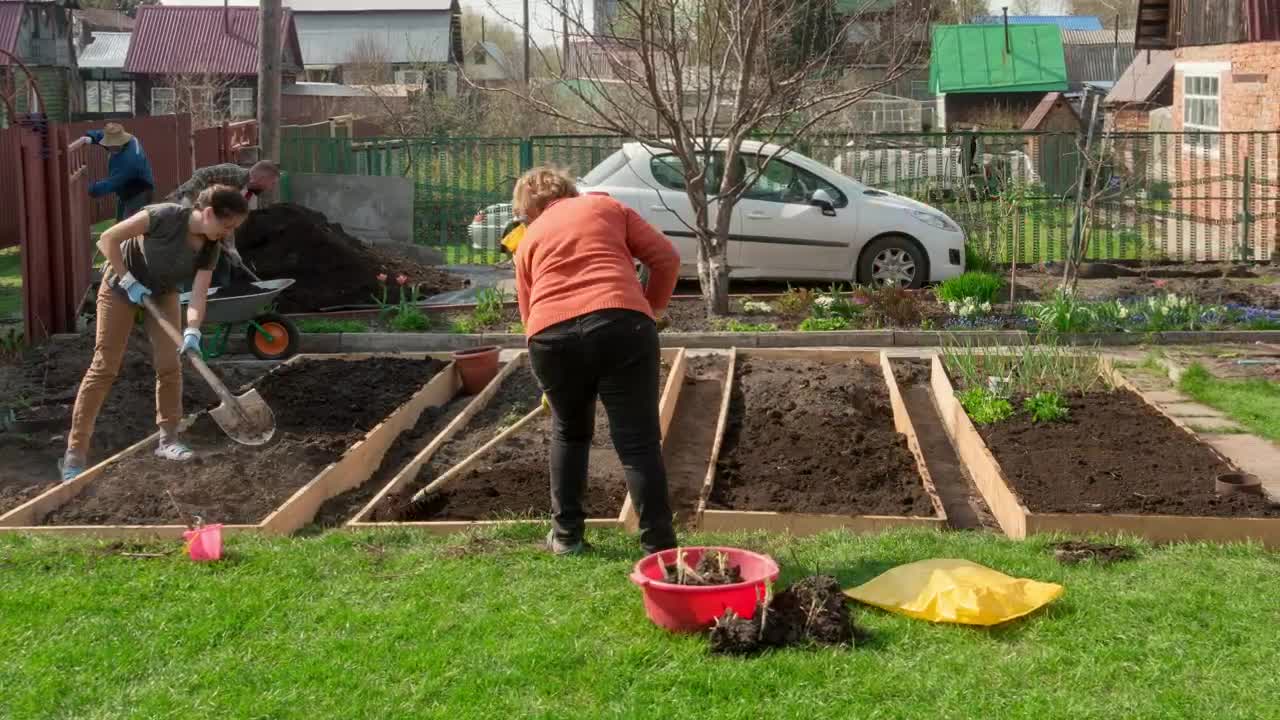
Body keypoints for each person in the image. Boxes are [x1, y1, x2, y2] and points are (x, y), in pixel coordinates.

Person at [511, 166, 680, 556]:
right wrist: (650, 309)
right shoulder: (606, 208)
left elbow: (528, 316)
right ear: (571, 190)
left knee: (569, 433)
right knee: (638, 442)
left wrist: (550, 381)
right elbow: (667, 259)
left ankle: (567, 538)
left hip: (550, 339)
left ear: (528, 211)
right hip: (621, 324)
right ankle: (659, 547)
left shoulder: (528, 240)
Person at [60, 186, 251, 481]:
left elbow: (198, 296)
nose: (228, 234)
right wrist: (127, 279)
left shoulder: (211, 247)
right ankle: (75, 454)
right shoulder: (163, 216)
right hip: (120, 289)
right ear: (209, 212)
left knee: (170, 364)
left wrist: (192, 331)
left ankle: (169, 440)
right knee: (105, 367)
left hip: (163, 293)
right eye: (227, 226)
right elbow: (107, 239)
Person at [169, 161, 281, 285]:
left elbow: (229, 222)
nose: (270, 188)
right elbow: (201, 174)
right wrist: (188, 199)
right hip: (182, 212)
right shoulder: (234, 174)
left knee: (222, 263)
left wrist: (232, 248)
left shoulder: (245, 194)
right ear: (261, 178)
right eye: (272, 183)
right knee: (191, 258)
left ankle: (219, 295)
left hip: (208, 224)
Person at [83, 122, 155, 222]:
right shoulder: (128, 140)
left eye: (112, 145)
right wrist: (92, 137)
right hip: (126, 189)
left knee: (130, 229)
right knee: (121, 223)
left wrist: (87, 189)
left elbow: (111, 184)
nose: (109, 148)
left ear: (120, 142)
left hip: (139, 193)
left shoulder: (130, 160)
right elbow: (104, 135)